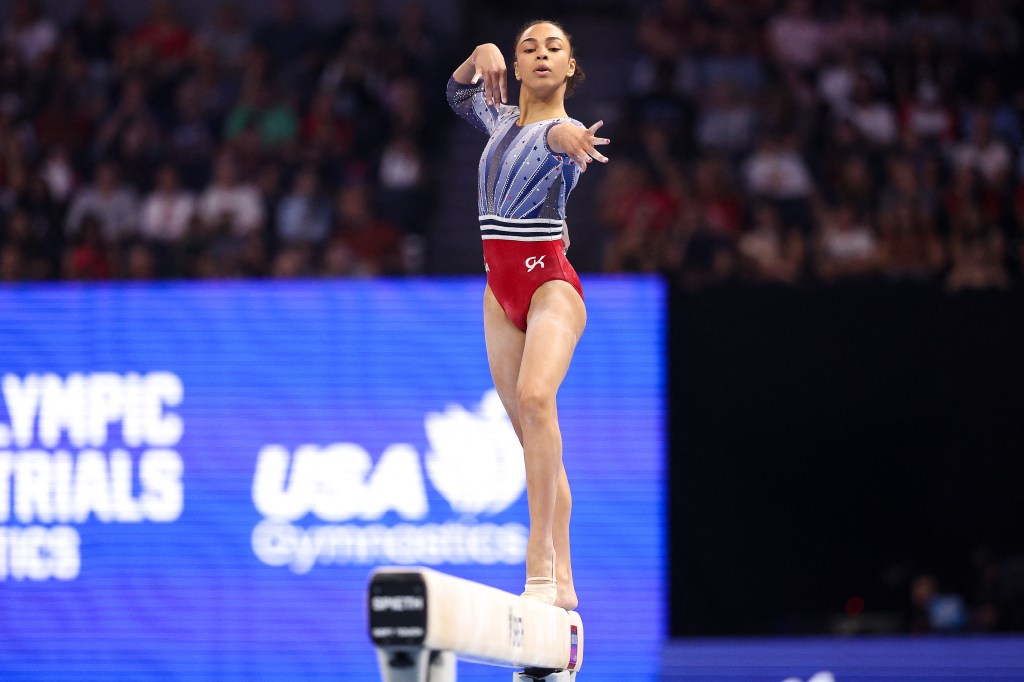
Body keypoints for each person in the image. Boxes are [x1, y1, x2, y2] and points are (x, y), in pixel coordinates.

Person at [447, 19, 609, 611]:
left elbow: (563, 138)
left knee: (538, 401)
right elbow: (456, 92)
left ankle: (538, 566)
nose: (541, 55)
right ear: (514, 67)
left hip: (549, 287)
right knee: (534, 441)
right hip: (500, 295)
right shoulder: (496, 119)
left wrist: (570, 139)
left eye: (555, 48)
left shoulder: (564, 130)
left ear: (571, 67)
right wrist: (477, 51)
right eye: (528, 48)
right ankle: (563, 577)